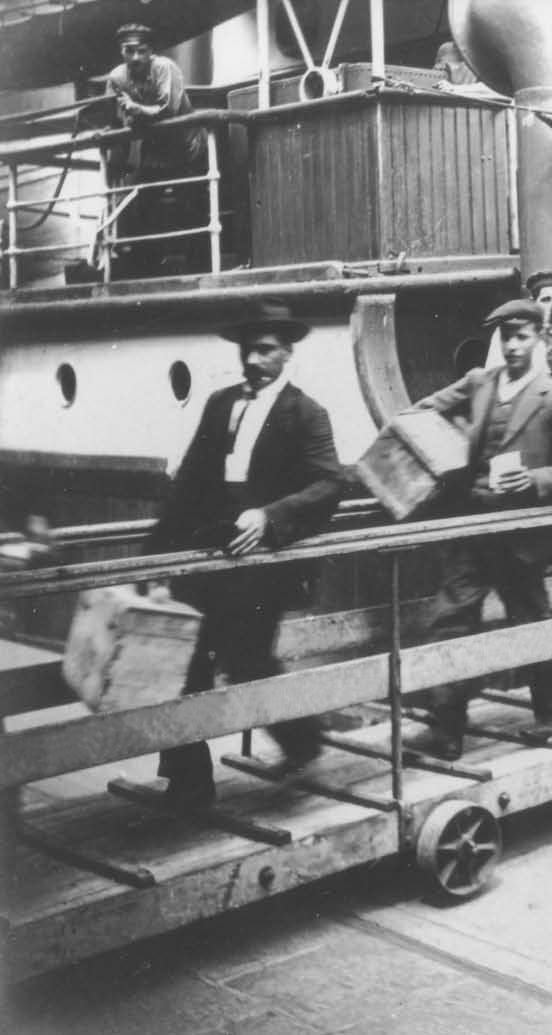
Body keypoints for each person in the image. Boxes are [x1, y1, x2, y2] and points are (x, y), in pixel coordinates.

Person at [145, 299, 346, 806]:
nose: (253, 360)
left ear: (287, 353)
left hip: (261, 567)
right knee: (184, 664)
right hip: (209, 559)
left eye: (266, 350)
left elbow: (329, 484)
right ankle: (190, 782)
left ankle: (303, 745)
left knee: (247, 662)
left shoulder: (307, 414)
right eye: (247, 350)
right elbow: (189, 484)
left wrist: (269, 517)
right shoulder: (220, 403)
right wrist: (151, 557)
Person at [405, 299, 552, 757]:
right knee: (451, 621)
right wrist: (445, 444)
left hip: (522, 532)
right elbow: (421, 412)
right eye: (506, 337)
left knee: (530, 621)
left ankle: (551, 714)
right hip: (474, 526)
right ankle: (447, 727)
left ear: (539, 339)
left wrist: (534, 479)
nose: (512, 346)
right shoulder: (479, 382)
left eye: (521, 337)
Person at [104, 23, 207, 276]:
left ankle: (201, 267)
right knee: (143, 202)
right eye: (129, 50)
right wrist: (117, 162)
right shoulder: (117, 78)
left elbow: (168, 110)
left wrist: (135, 109)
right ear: (121, 51)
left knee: (192, 203)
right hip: (156, 147)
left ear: (151, 51)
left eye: (141, 50)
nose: (135, 57)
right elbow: (114, 121)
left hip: (186, 144)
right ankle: (147, 267)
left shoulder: (165, 68)